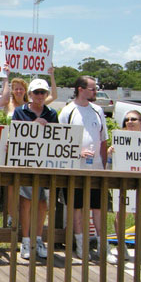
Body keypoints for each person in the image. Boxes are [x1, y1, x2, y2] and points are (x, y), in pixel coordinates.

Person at [59, 75, 108, 260]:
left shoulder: (98, 111)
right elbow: (61, 140)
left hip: (96, 168)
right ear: (80, 89)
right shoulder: (67, 111)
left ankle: (103, 247)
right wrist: (77, 152)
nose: (95, 92)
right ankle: (81, 246)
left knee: (98, 207)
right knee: (77, 207)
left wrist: (104, 166)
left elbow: (103, 140)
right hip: (75, 168)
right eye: (92, 89)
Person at [12, 78, 57, 260]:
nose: (40, 96)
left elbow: (58, 139)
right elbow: (15, 135)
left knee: (42, 203)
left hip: (45, 164)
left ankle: (38, 239)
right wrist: (34, 126)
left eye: (43, 93)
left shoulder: (52, 113)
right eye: (36, 92)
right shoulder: (19, 111)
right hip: (26, 164)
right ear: (29, 94)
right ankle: (25, 240)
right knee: (26, 201)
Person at [107, 110, 141, 264]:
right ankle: (121, 247)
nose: (130, 122)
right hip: (123, 183)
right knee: (121, 215)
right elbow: (109, 166)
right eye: (127, 119)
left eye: (134, 119)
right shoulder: (119, 140)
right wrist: (109, 154)